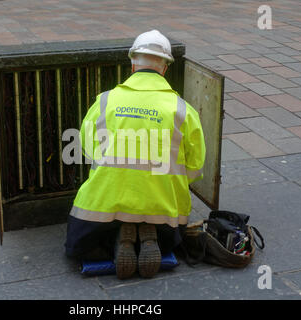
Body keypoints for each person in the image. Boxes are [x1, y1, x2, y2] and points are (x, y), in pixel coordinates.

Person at [65, 30, 206, 279]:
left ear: (132, 65)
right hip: (164, 213)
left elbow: (88, 150)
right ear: (165, 69)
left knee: (80, 247)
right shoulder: (183, 110)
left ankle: (119, 236)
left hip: (101, 211)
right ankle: (147, 232)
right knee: (168, 235)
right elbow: (195, 168)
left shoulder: (105, 102)